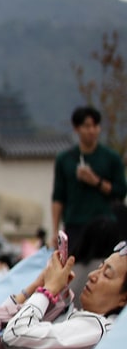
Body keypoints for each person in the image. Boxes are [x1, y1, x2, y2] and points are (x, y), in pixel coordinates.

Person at [51, 106, 127, 257]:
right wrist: (55, 231)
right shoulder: (64, 159)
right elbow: (58, 197)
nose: (92, 130)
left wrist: (96, 181)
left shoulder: (111, 158)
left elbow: (121, 191)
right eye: (87, 126)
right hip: (75, 225)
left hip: (105, 225)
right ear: (77, 128)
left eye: (95, 126)